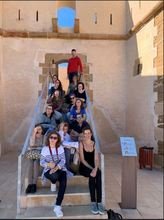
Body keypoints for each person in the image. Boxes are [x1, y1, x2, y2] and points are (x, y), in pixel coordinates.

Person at [40, 131, 67, 218]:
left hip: (60, 168)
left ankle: (57, 206)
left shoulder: (60, 148)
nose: (52, 139)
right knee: (54, 176)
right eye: (51, 137)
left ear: (57, 139)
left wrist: (56, 167)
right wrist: (48, 165)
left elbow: (63, 160)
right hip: (48, 169)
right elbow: (41, 162)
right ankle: (53, 182)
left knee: (63, 182)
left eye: (55, 138)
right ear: (48, 138)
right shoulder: (45, 149)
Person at [79, 127, 104, 215]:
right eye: (85, 133)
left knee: (99, 173)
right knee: (92, 176)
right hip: (84, 166)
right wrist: (92, 170)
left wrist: (96, 168)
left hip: (93, 166)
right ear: (83, 134)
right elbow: (82, 160)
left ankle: (99, 202)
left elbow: (96, 159)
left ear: (91, 134)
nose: (87, 135)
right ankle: (93, 202)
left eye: (89, 133)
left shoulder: (94, 144)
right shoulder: (81, 143)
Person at [25, 125, 44, 194]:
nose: (39, 130)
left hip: (39, 152)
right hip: (32, 152)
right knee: (30, 166)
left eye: (40, 129)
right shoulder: (32, 136)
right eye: (37, 129)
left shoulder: (43, 137)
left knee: (36, 165)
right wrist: (34, 133)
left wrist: (35, 147)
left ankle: (34, 184)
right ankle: (29, 184)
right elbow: (32, 144)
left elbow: (43, 146)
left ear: (42, 130)